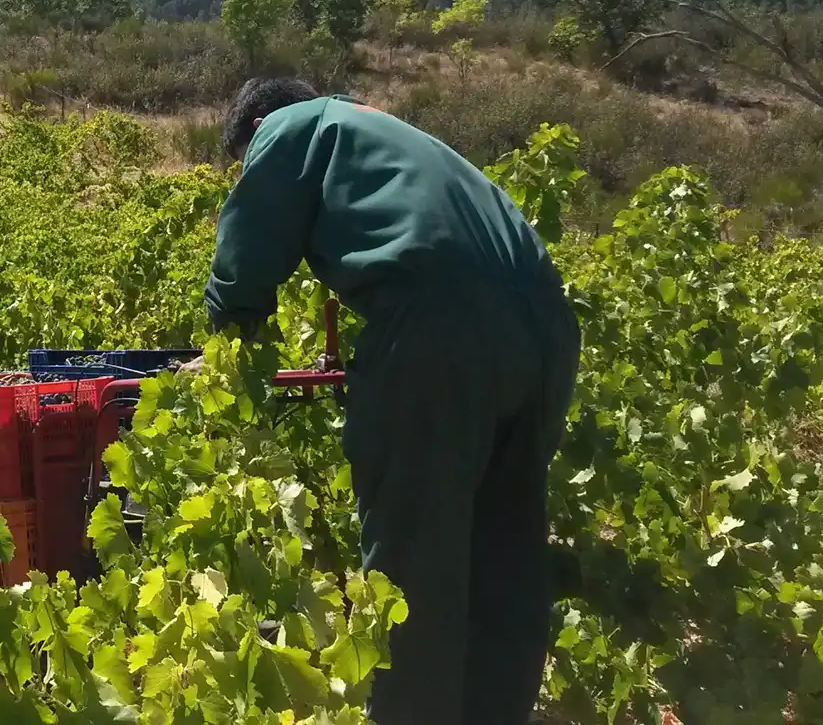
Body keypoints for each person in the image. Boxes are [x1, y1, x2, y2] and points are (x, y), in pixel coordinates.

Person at [203, 78, 579, 725]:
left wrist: (226, 339)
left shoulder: (293, 126)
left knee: (414, 566)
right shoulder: (389, 135)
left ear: (258, 124)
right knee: (503, 552)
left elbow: (249, 247)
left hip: (440, 327)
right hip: (546, 330)